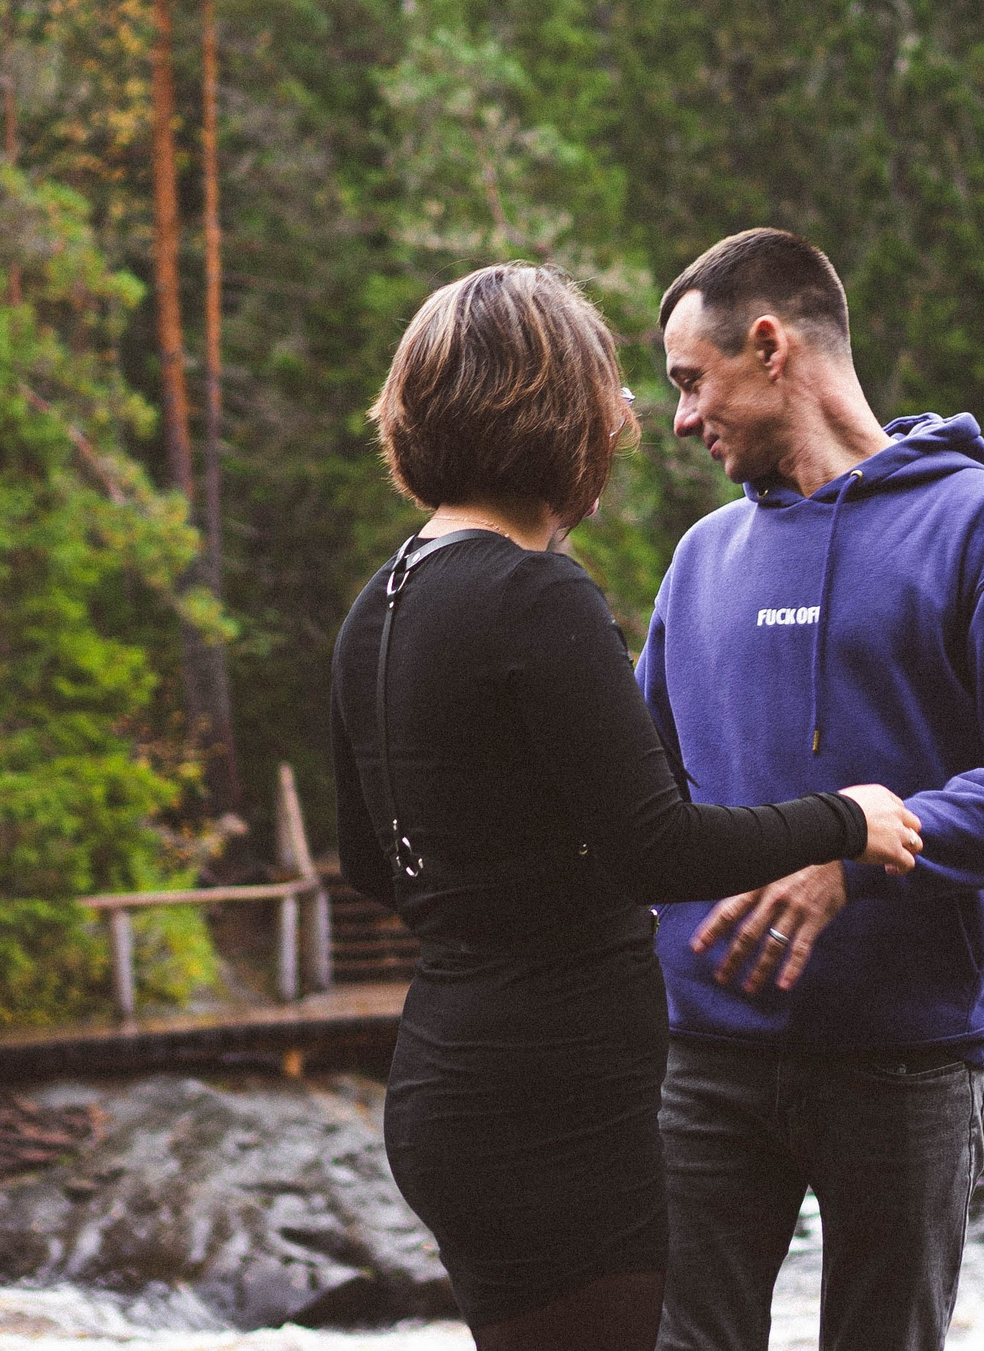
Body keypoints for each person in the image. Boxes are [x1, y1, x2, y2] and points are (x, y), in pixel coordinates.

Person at [329, 261, 928, 1351]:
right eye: (606, 392)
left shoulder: (382, 601)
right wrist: (848, 818)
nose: (625, 418)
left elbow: (373, 864)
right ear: (548, 411)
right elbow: (659, 846)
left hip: (443, 1083)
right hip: (554, 1105)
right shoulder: (533, 593)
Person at [637, 228, 984, 1351]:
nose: (681, 419)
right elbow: (640, 797)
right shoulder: (699, 560)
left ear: (769, 346)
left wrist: (853, 859)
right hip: (703, 1058)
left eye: (690, 383)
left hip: (906, 1062)